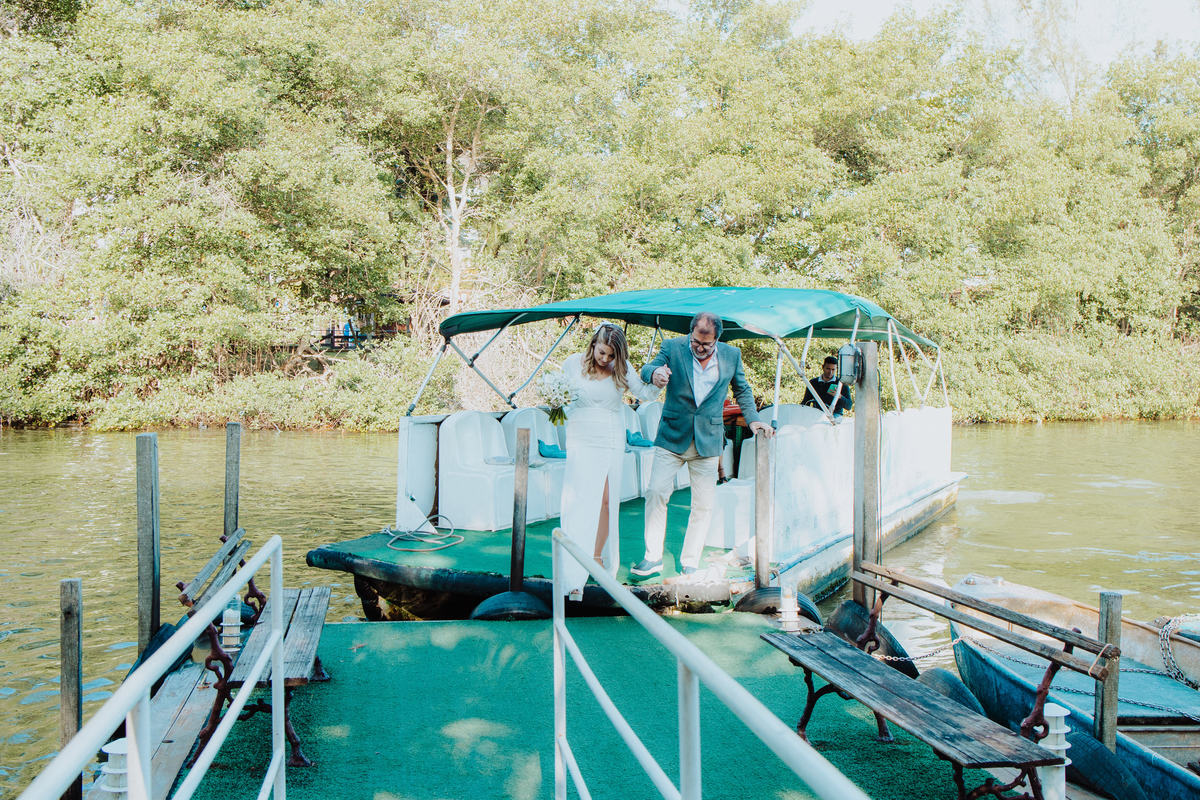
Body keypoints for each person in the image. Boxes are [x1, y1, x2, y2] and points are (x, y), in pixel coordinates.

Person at [631, 311, 773, 579]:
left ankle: (690, 561)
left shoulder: (732, 355)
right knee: (656, 493)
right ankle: (652, 557)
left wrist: (754, 421)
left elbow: (742, 390)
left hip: (707, 440)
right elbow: (647, 368)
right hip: (672, 437)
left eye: (706, 344)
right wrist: (656, 374)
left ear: (717, 339)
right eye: (695, 341)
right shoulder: (673, 347)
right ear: (691, 334)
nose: (699, 347)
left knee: (703, 505)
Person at [559, 323, 659, 599]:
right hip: (580, 437)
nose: (605, 360)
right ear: (593, 345)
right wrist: (555, 402)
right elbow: (560, 399)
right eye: (602, 353)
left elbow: (646, 394)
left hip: (610, 438)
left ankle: (597, 556)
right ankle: (573, 562)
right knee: (580, 499)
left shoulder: (622, 370)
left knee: (605, 499)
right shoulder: (571, 364)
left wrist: (659, 381)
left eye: (611, 356)